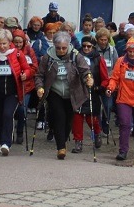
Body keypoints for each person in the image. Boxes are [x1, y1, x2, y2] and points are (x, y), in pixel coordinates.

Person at [35, 31, 93, 160]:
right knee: (59, 116)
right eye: (58, 48)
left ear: (68, 46)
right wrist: (39, 87)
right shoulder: (48, 57)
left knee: (68, 120)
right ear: (54, 46)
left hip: (72, 92)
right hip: (54, 91)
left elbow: (85, 71)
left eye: (64, 48)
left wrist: (89, 79)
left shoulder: (76, 56)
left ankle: (63, 140)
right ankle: (60, 147)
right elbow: (39, 74)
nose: (61, 50)